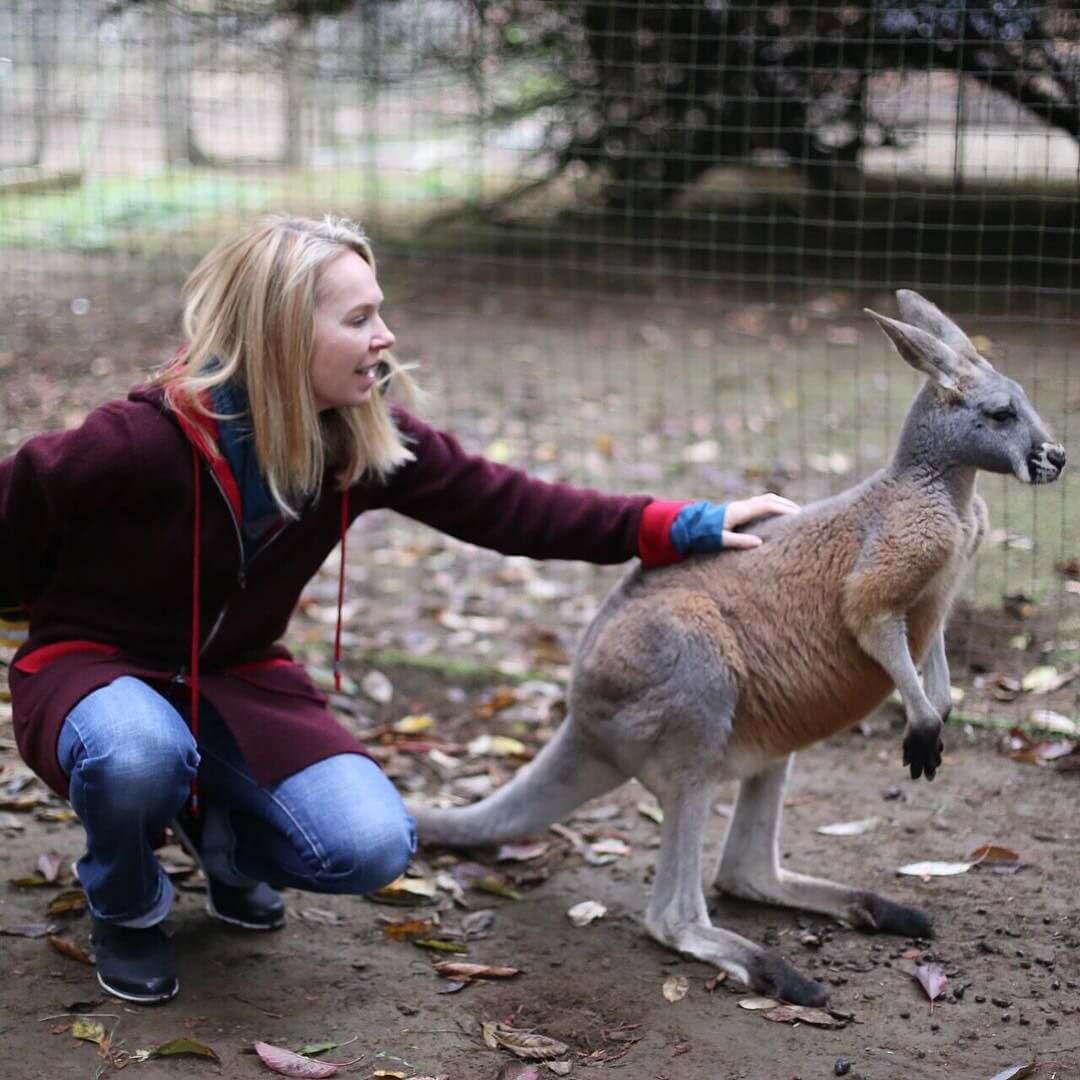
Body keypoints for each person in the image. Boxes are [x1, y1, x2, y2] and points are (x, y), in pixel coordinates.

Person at [0, 215, 799, 1005]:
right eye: (359, 319)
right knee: (137, 751)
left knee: (371, 846)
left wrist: (681, 524)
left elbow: (514, 507)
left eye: (378, 312)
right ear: (283, 335)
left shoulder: (354, 439)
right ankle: (127, 907)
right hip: (95, 671)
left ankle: (223, 842)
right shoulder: (138, 441)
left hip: (237, 679)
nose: (384, 336)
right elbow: (13, 511)